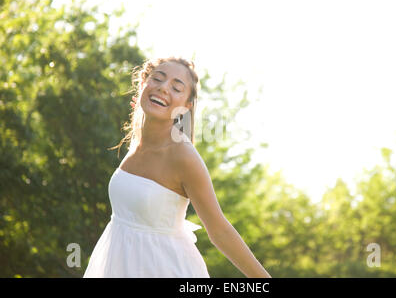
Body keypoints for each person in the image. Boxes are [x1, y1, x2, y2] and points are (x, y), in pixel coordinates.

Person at [83, 57, 271, 278]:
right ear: (143, 83)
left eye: (176, 87)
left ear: (186, 105)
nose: (163, 89)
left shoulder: (183, 156)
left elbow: (220, 230)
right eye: (158, 79)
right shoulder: (137, 143)